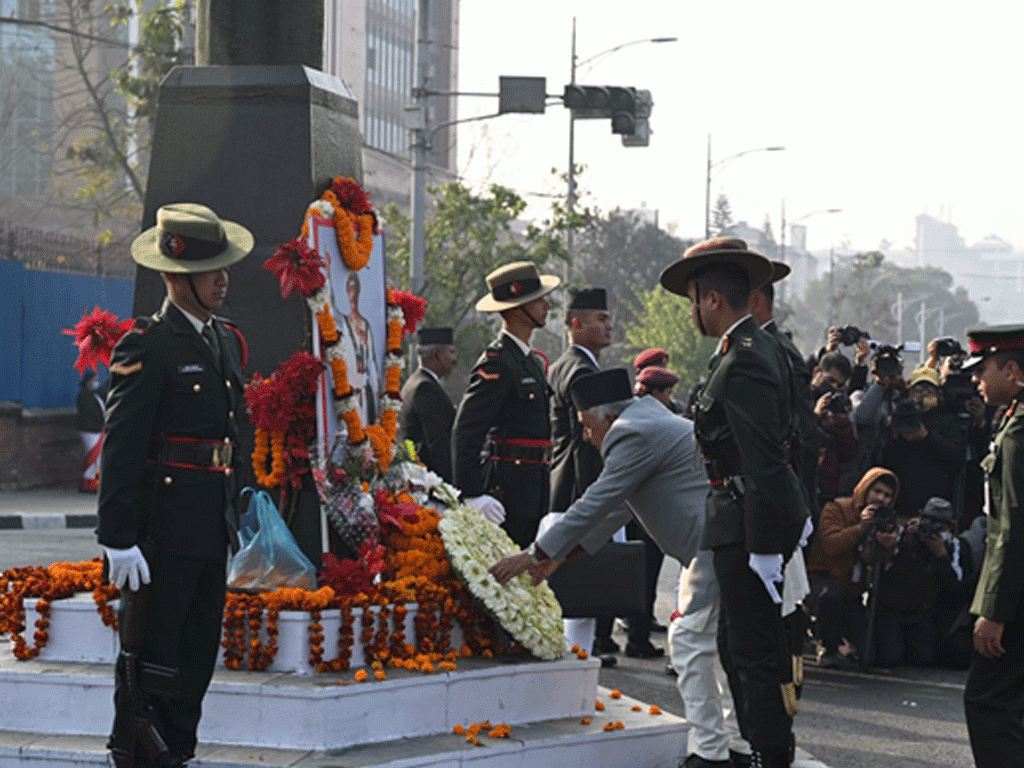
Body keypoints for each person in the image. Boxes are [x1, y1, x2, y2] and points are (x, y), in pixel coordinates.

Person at [488, 368, 718, 766]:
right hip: (713, 549)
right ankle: (729, 745)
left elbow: (598, 500)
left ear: (608, 418)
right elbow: (615, 509)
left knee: (691, 644)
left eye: (587, 426)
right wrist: (557, 557)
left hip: (709, 552)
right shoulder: (646, 420)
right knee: (715, 648)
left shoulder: (632, 432)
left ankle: (710, 753)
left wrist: (533, 555)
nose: (586, 437)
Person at [97, 202, 252, 768]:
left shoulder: (224, 341)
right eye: (209, 269)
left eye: (224, 265)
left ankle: (177, 755)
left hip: (210, 529)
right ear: (172, 276)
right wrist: (117, 535)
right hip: (162, 533)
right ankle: (136, 757)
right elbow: (124, 442)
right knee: (150, 662)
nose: (222, 278)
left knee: (195, 660)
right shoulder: (149, 345)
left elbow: (230, 436)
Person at [659, 237, 810, 768]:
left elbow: (764, 462)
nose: (694, 311)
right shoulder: (755, 348)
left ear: (713, 300)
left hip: (746, 524)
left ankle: (770, 756)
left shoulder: (743, 359)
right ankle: (764, 751)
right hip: (745, 520)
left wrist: (769, 545)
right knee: (745, 650)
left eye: (694, 300)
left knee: (753, 656)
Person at [452, 261, 560, 548]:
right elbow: (467, 431)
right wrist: (471, 493)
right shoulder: (498, 363)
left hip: (534, 487)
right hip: (507, 491)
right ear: (516, 307)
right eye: (538, 300)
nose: (546, 306)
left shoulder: (532, 361)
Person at [960, 324, 1024, 767]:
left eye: (983, 369)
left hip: (1016, 599)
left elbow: (1011, 529)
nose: (976, 379)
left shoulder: (1018, 434)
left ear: (1014, 370)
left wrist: (994, 611)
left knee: (987, 704)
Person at [545, 287, 617, 662]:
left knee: (573, 604)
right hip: (582, 494)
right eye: (601, 319)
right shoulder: (581, 369)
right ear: (577, 324)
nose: (609, 325)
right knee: (581, 605)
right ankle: (574, 675)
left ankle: (573, 671)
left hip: (564, 491)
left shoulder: (562, 364)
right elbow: (594, 432)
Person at [805, 467, 898, 668]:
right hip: (824, 580)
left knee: (869, 655)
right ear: (865, 489)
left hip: (853, 591)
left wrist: (886, 547)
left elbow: (869, 561)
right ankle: (826, 644)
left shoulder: (885, 521)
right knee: (831, 595)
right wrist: (861, 528)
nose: (881, 499)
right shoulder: (837, 508)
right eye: (877, 491)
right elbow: (831, 545)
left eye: (887, 495)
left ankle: (845, 644)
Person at [870, 496, 970, 667]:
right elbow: (883, 571)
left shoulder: (953, 546)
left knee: (923, 660)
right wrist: (906, 542)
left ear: (949, 528)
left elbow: (955, 587)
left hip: (922, 615)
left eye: (939, 525)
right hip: (890, 611)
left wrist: (940, 555)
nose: (931, 528)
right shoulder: (902, 535)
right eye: (928, 521)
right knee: (890, 659)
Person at [879, 365, 966, 520]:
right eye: (918, 389)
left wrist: (926, 437)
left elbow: (956, 458)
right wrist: (894, 435)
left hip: (935, 506)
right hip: (900, 504)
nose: (924, 394)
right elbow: (881, 459)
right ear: (910, 393)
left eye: (930, 389)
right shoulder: (900, 415)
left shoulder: (948, 420)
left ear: (939, 394)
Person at [397, 327, 456, 482]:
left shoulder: (414, 382)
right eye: (450, 352)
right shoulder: (425, 388)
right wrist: (451, 489)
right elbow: (438, 446)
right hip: (429, 482)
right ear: (437, 355)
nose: (453, 359)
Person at [340, 270, 379, 424]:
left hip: (365, 391)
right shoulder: (342, 323)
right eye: (349, 289)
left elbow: (371, 361)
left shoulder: (364, 324)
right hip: (349, 394)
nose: (352, 294)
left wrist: (378, 389)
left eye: (355, 288)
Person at [76, 370, 106, 493]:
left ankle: (94, 482)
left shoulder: (97, 395)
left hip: (98, 430)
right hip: (89, 430)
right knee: (92, 457)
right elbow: (92, 413)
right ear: (88, 382)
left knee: (97, 458)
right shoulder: (83, 396)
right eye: (94, 381)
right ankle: (87, 484)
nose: (96, 383)